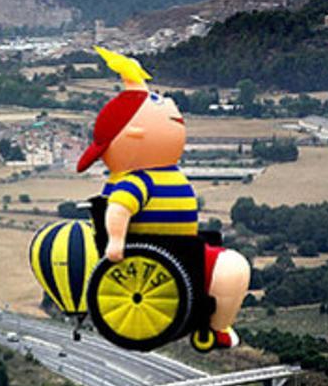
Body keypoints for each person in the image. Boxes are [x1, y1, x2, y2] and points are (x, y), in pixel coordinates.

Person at [77, 47, 250, 349]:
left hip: (185, 248)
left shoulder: (166, 171)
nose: (168, 104)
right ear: (135, 134)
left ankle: (216, 326)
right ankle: (211, 326)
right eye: (156, 103)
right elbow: (117, 209)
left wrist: (135, 82)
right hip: (160, 252)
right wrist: (116, 243)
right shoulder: (136, 181)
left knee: (232, 270)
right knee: (231, 266)